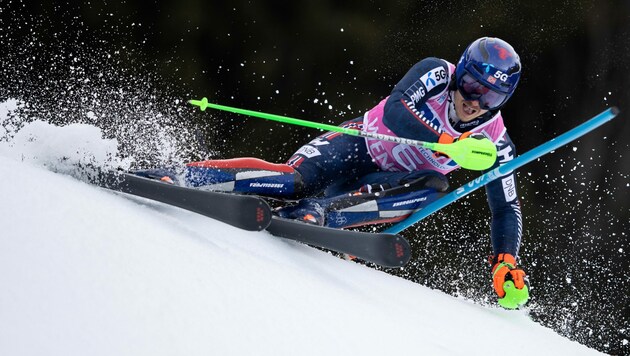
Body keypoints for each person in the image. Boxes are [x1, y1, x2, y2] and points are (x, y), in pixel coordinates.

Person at [138, 37, 528, 308]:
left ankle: (323, 214)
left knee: (437, 185)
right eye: (472, 85)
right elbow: (395, 109)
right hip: (356, 144)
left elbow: (505, 207)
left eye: (490, 96)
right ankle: (182, 175)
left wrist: (505, 260)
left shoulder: (494, 140)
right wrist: (444, 140)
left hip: (376, 187)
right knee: (291, 181)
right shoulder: (437, 74)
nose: (475, 101)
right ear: (460, 72)